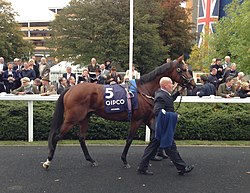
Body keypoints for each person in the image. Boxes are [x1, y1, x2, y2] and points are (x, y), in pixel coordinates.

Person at [137, 77, 194, 175]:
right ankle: (182, 168)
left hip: (161, 126)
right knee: (169, 147)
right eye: (171, 84)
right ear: (166, 85)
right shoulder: (160, 96)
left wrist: (178, 92)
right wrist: (173, 116)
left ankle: (142, 167)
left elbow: (169, 100)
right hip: (162, 127)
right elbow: (157, 111)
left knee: (157, 148)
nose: (172, 85)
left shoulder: (163, 94)